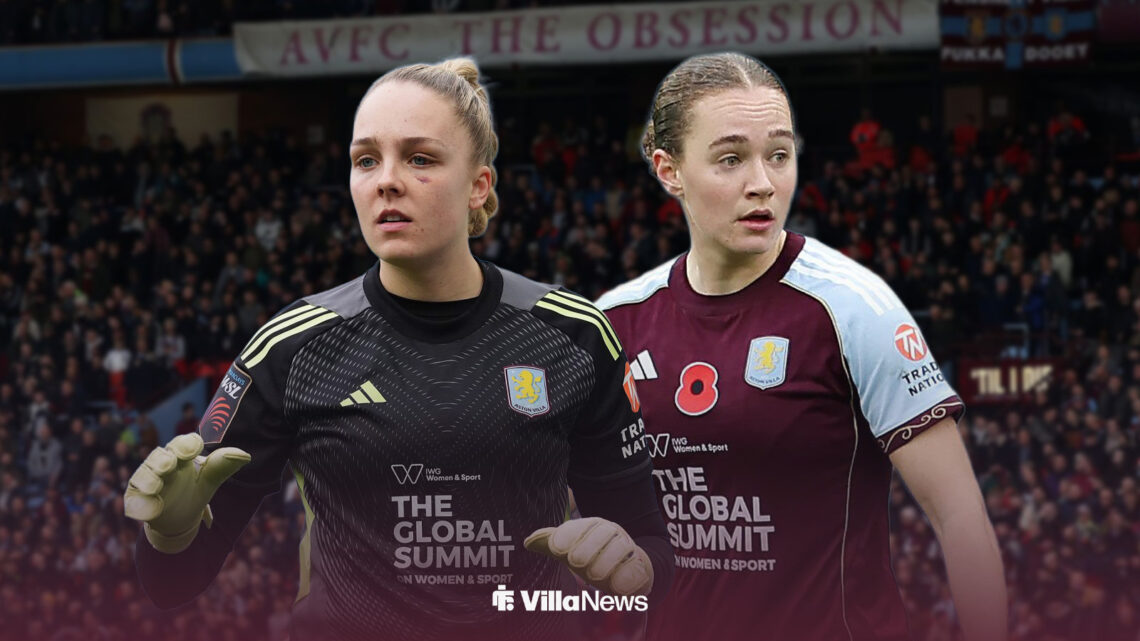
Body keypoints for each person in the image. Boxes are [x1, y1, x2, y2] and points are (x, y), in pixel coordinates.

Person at [123, 57, 671, 641]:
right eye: (366, 160)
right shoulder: (290, 348)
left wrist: (634, 571)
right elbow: (171, 586)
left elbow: (653, 552)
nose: (386, 179)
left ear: (478, 186)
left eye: (420, 158)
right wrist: (170, 536)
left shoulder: (575, 336)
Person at [596, 53, 1006, 641]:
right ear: (669, 170)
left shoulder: (854, 309)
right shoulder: (615, 321)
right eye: (731, 158)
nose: (763, 182)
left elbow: (960, 516)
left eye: (779, 154)